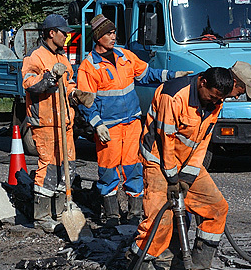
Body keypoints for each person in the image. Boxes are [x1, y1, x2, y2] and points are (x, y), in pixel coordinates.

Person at [127, 62, 251, 270]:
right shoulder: (174, 95)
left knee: (217, 208)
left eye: (220, 98)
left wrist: (187, 175)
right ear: (203, 83)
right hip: (158, 161)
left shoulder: (215, 100)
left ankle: (199, 267)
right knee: (160, 218)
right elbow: (165, 139)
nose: (215, 101)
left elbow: (202, 142)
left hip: (186, 163)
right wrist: (172, 177)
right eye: (212, 96)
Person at [77, 14, 192, 226]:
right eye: (109, 33)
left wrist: (174, 75)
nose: (113, 37)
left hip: (131, 123)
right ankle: (112, 215)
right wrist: (97, 124)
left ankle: (134, 213)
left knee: (133, 167)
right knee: (108, 170)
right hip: (108, 127)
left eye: (113, 33)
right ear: (98, 37)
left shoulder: (125, 56)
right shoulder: (89, 66)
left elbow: (147, 74)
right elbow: (86, 101)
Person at [22, 14, 94, 233]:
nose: (67, 36)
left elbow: (68, 85)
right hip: (45, 122)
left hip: (64, 122)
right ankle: (42, 215)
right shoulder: (36, 57)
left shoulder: (62, 58)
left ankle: (62, 209)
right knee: (49, 167)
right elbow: (29, 83)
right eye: (64, 33)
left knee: (67, 167)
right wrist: (49, 78)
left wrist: (76, 95)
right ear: (52, 33)